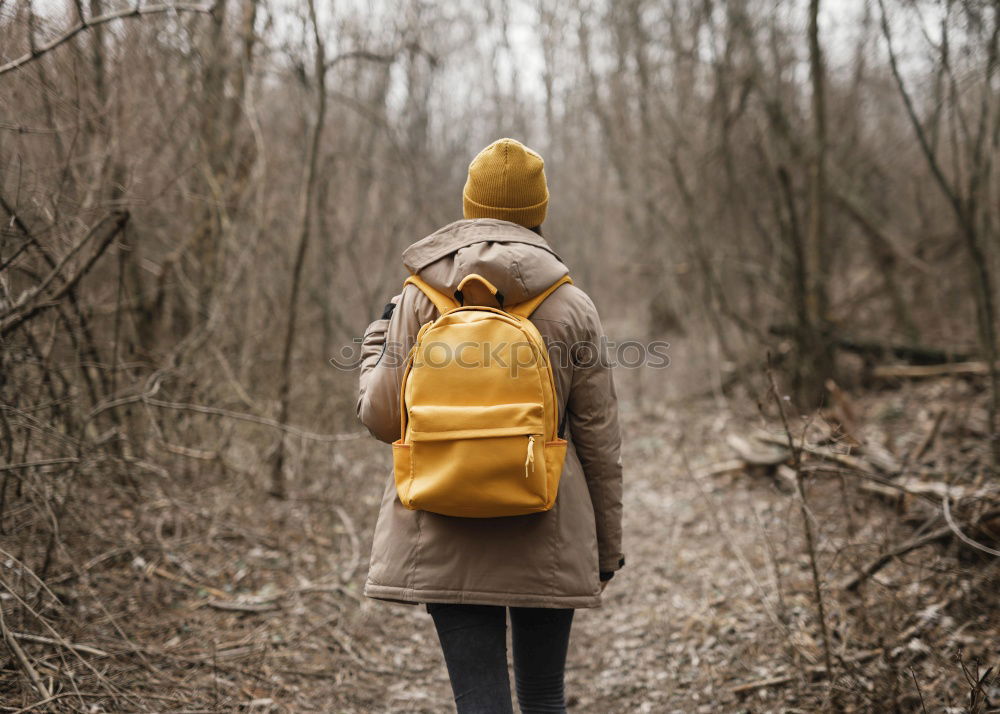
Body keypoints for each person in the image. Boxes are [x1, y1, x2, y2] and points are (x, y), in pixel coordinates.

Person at [356, 138, 624, 714]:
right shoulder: (572, 305)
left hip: (443, 515)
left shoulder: (420, 296)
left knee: (479, 703)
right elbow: (600, 440)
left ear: (469, 205)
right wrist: (605, 547)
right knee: (544, 697)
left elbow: (381, 419)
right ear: (540, 214)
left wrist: (376, 343)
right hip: (545, 519)